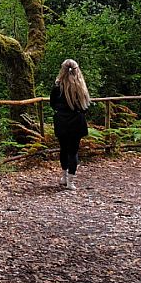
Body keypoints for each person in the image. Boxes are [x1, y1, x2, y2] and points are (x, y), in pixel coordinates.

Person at [51, 58, 91, 190]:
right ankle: (70, 182)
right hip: (76, 121)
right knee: (73, 151)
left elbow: (52, 104)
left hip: (61, 120)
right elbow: (85, 107)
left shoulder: (57, 87)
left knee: (63, 148)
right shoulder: (81, 87)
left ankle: (64, 176)